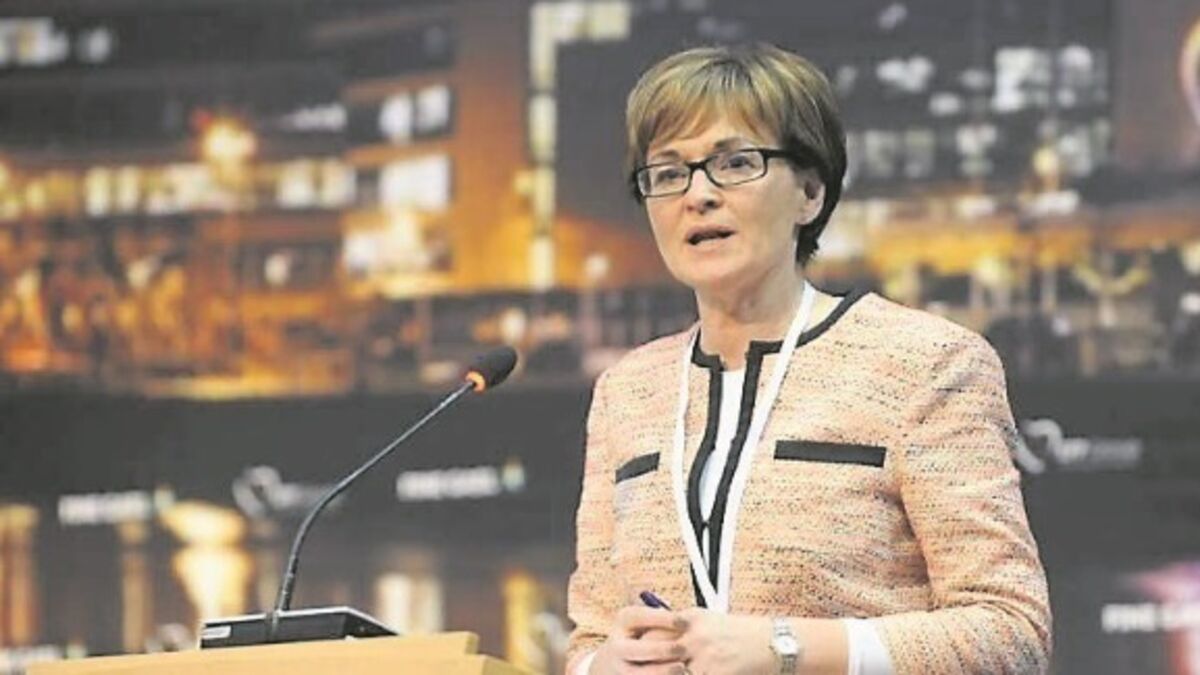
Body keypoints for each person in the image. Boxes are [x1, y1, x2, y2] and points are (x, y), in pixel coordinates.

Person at [566, 43, 1051, 675]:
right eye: (667, 172)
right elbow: (589, 636)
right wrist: (602, 665)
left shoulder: (927, 364)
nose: (697, 194)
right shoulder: (626, 391)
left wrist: (787, 648)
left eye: (734, 163)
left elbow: (1010, 634)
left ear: (810, 193)